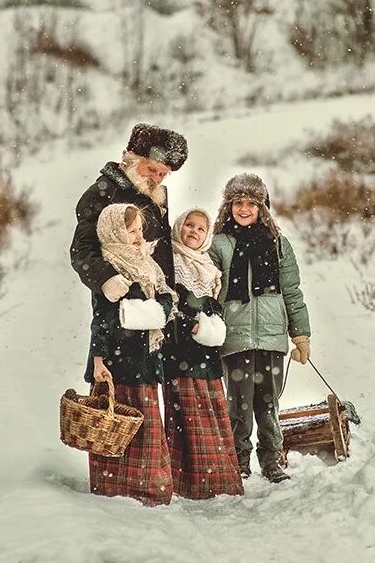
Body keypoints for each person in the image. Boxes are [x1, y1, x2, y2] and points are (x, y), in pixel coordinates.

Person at [210, 173, 312, 483]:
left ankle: (271, 461)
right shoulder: (218, 245)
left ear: (262, 208)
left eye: (251, 204)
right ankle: (238, 462)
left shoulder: (279, 244)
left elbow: (291, 291)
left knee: (268, 403)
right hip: (235, 334)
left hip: (271, 336)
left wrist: (301, 334)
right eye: (238, 203)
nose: (244, 209)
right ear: (229, 207)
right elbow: (208, 288)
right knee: (238, 406)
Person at [84, 203, 176, 505]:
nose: (138, 237)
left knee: (146, 426)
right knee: (114, 426)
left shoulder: (146, 263)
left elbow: (165, 298)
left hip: (145, 357)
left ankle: (148, 486)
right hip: (117, 360)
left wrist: (157, 310)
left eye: (139, 230)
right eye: (131, 231)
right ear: (115, 231)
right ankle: (115, 487)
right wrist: (98, 360)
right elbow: (101, 318)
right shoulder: (110, 267)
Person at [161, 208, 245, 499]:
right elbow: (169, 302)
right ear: (178, 227)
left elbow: (213, 304)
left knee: (211, 409)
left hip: (206, 351)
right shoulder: (169, 259)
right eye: (189, 225)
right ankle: (191, 481)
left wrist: (211, 320)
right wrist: (190, 323)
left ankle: (218, 478)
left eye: (200, 228)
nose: (193, 232)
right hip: (181, 348)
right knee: (187, 414)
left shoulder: (208, 267)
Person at [70, 122, 188, 303]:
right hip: (121, 310)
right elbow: (82, 249)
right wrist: (105, 279)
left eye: (162, 174)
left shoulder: (154, 198)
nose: (156, 179)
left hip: (157, 305)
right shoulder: (104, 193)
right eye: (151, 169)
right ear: (131, 160)